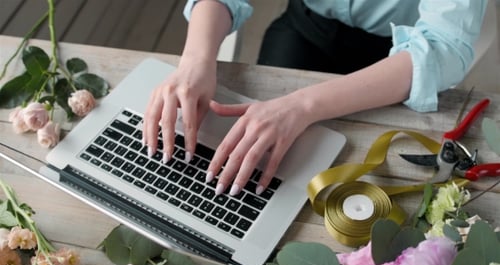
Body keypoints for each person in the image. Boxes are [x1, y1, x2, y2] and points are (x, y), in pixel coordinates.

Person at [143, 0, 487, 197]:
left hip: (395, 61)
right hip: (305, 27)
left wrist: (302, 106)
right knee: (255, 160)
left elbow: (446, 47)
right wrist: (195, 61)